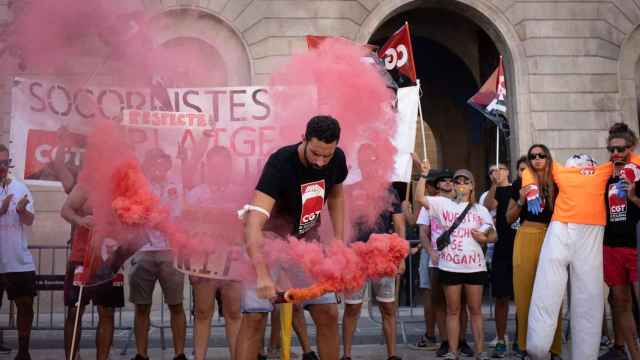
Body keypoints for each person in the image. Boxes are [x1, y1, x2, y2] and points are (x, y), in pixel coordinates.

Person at [236, 115, 348, 360]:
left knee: (328, 312)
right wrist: (263, 274)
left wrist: (338, 240)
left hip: (306, 241)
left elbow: (337, 197)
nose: (320, 161)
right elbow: (254, 222)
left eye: (326, 155)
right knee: (255, 316)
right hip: (269, 241)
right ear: (304, 139)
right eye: (315, 153)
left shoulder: (337, 159)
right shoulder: (280, 163)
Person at [524, 138, 640, 360]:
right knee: (548, 288)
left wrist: (630, 160)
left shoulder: (603, 170)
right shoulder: (562, 170)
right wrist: (529, 188)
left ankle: (582, 354)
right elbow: (533, 167)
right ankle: (537, 346)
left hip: (590, 233)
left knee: (588, 296)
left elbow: (633, 158)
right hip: (561, 229)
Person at [415, 158, 496, 360]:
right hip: (450, 266)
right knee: (452, 310)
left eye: (465, 181)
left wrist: (485, 237)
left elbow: (494, 234)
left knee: (475, 310)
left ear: (472, 186)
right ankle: (453, 351)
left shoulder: (481, 210)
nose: (461, 185)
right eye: (458, 181)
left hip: (475, 267)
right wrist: (424, 175)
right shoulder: (443, 204)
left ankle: (480, 351)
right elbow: (420, 199)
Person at [341, 143, 406, 360]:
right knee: (352, 308)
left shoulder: (389, 191)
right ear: (359, 162)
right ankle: (347, 355)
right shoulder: (350, 191)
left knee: (388, 308)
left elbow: (399, 225)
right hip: (356, 255)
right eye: (363, 159)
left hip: (384, 256)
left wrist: (401, 256)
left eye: (371, 159)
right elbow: (343, 224)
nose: (367, 163)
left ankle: (392, 355)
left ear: (377, 162)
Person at [183, 146, 243, 360]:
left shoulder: (239, 193)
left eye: (223, 166)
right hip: (203, 260)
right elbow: (186, 229)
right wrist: (190, 264)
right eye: (214, 166)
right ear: (207, 167)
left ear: (229, 167)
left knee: (234, 313)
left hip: (233, 259)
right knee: (202, 311)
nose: (219, 170)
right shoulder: (196, 194)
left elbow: (247, 225)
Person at [129, 148, 187, 360]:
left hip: (169, 251)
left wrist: (166, 224)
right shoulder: (138, 187)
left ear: (168, 165)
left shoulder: (175, 186)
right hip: (143, 250)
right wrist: (144, 217)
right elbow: (128, 215)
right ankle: (141, 354)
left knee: (176, 304)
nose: (158, 167)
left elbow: (180, 217)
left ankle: (179, 353)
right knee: (142, 305)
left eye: (162, 163)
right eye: (154, 162)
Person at [505, 146, 562, 359]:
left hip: (554, 236)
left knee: (553, 293)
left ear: (548, 158)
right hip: (527, 233)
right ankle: (524, 346)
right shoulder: (520, 183)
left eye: (541, 155)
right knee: (524, 293)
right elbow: (508, 218)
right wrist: (521, 200)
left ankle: (554, 348)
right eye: (533, 156)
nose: (537, 159)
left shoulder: (558, 182)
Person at [61, 184, 125, 360]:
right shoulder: (87, 182)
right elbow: (65, 210)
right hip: (81, 257)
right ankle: (72, 357)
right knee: (75, 311)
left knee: (107, 312)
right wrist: (80, 220)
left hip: (109, 258)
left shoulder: (123, 186)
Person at [598, 123, 640, 360]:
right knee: (621, 302)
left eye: (620, 149)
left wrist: (633, 196)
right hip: (611, 246)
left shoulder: (639, 172)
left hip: (635, 246)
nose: (615, 154)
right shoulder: (605, 176)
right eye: (611, 150)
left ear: (631, 148)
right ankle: (635, 355)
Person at [0, 144, 36, 360]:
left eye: (5, 163)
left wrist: (21, 211)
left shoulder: (21, 188)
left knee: (25, 305)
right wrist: (2, 210)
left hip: (18, 259)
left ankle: (23, 352)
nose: (2, 167)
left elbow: (30, 221)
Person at [481, 163, 516, 358]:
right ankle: (501, 339)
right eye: (492, 170)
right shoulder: (492, 192)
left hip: (519, 248)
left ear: (508, 171)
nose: (497, 173)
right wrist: (495, 185)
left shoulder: (517, 188)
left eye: (500, 169)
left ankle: (521, 339)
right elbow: (488, 206)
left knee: (522, 298)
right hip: (500, 251)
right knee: (501, 298)